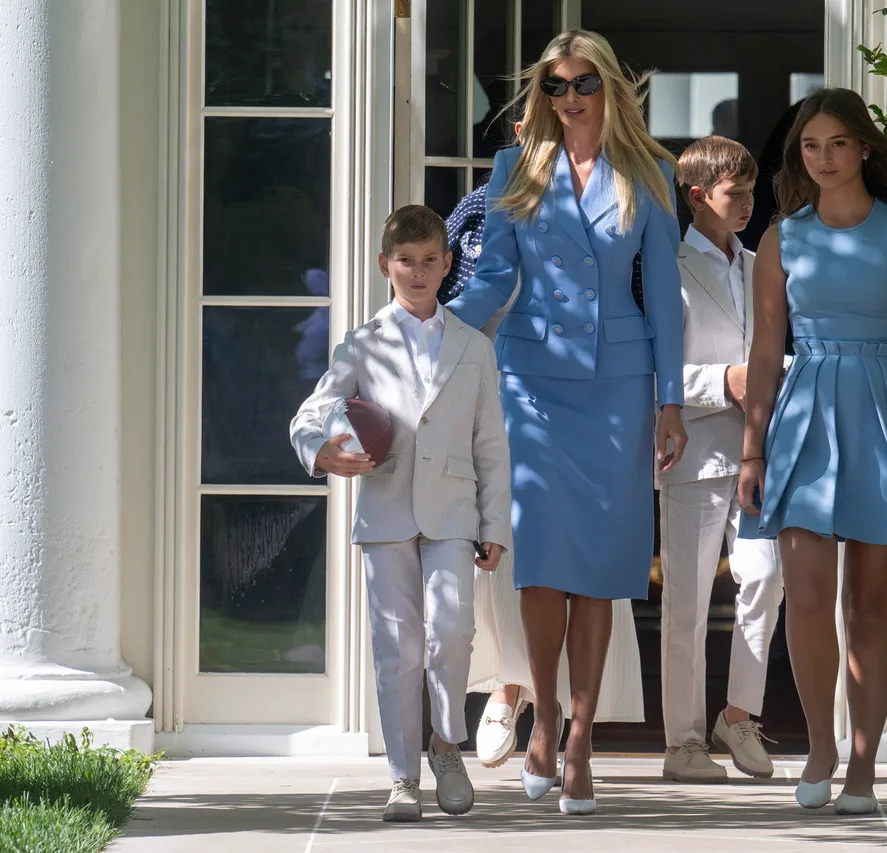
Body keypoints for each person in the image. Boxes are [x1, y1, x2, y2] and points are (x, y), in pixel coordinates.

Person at [447, 29, 687, 816]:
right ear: (542, 95)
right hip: (531, 385)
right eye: (556, 86)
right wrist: (432, 331)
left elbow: (661, 302)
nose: (571, 97)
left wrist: (670, 401)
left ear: (610, 87)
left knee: (606, 570)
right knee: (542, 564)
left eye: (584, 83)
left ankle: (582, 735)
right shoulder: (519, 166)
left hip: (618, 387)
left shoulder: (651, 173)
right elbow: (495, 278)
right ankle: (543, 715)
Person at [737, 89, 887, 815]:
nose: (824, 157)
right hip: (805, 415)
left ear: (864, 148)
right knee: (806, 599)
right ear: (799, 157)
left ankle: (864, 767)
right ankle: (819, 745)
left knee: (868, 608)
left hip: (884, 416)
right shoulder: (782, 238)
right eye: (811, 146)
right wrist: (753, 450)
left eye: (838, 143)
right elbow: (766, 349)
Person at [289, 205, 512, 820]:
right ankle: (401, 776)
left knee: (453, 631)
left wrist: (494, 524)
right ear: (385, 266)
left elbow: (491, 442)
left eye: (429, 261)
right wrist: (321, 451)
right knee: (397, 648)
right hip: (386, 509)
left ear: (447, 264)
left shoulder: (473, 346)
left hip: (453, 511)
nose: (418, 272)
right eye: (405, 262)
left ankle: (447, 743)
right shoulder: (362, 343)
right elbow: (311, 414)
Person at [658, 136, 784, 783]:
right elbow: (657, 375)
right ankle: (681, 741)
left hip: (759, 455)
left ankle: (737, 713)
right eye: (736, 194)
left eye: (751, 193)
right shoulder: (669, 270)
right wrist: (724, 381)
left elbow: (771, 353)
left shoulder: (763, 263)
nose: (747, 205)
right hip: (694, 455)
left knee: (764, 577)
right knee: (686, 602)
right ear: (698, 195)